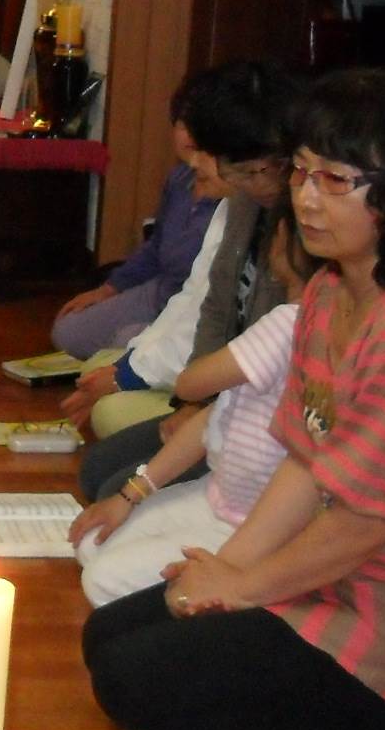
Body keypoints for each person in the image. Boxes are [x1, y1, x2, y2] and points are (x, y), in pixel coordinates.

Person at [81, 71, 385, 730]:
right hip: (320, 574)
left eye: (336, 180)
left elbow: (365, 524)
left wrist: (243, 586)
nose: (307, 199)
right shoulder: (328, 293)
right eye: (302, 173)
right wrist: (223, 572)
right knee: (104, 635)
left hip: (383, 624)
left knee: (128, 678)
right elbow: (305, 462)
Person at [64, 60, 303, 494]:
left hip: (254, 417)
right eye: (239, 172)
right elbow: (212, 305)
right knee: (98, 471)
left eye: (257, 171)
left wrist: (195, 402)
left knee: (116, 483)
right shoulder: (240, 206)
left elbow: (263, 362)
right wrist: (192, 403)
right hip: (217, 398)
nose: (253, 184)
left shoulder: (300, 228)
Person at [68, 202, 312, 606]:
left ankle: (220, 597)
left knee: (101, 579)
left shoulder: (288, 321)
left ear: (282, 241)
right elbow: (211, 417)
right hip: (216, 494)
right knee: (92, 542)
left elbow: (192, 383)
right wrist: (129, 495)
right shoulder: (292, 320)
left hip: (248, 524)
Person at [49, 100, 218, 359]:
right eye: (184, 126)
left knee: (128, 346)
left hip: (194, 310)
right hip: (159, 292)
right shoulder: (178, 179)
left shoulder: (229, 195)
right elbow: (155, 247)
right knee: (68, 331)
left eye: (200, 128)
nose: (192, 137)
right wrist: (108, 289)